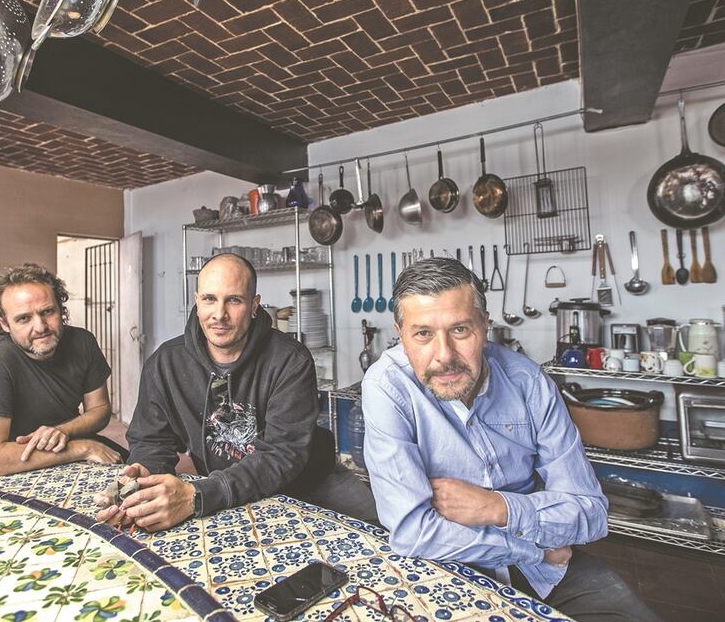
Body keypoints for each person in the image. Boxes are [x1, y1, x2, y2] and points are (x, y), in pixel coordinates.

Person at [361, 257, 659, 621]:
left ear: (486, 327)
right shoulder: (387, 387)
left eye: (460, 330)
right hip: (453, 566)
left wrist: (497, 507)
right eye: (422, 334)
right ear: (401, 335)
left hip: (551, 572)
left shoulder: (528, 381)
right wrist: (533, 550)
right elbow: (413, 533)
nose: (444, 356)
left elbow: (591, 513)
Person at [96, 253, 376, 532]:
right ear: (196, 300)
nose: (219, 314)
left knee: (387, 534)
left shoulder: (291, 360)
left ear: (254, 305)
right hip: (228, 490)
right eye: (209, 299)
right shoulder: (165, 364)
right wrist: (144, 479)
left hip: (311, 479)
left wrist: (200, 495)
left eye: (234, 300)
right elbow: (150, 440)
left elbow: (282, 455)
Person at [0, 263, 124, 476]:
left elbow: (100, 409)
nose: (40, 327)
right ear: (4, 324)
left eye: (47, 312)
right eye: (23, 318)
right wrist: (82, 448)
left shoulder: (82, 342)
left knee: (140, 479)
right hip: (17, 466)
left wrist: (62, 431)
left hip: (76, 445)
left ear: (61, 309)